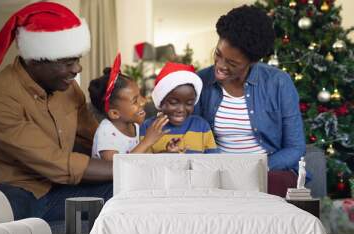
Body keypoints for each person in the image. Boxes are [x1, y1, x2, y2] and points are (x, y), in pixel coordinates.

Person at [0, 2, 112, 221]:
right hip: (16, 190)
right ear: (35, 60)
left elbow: (97, 140)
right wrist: (126, 170)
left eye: (78, 59)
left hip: (57, 187)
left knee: (125, 193)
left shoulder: (69, 89)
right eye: (68, 61)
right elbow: (53, 161)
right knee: (11, 210)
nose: (77, 69)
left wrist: (134, 157)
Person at [194, 5, 306, 195]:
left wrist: (255, 169)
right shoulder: (200, 82)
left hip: (267, 171)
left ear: (252, 61)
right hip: (217, 171)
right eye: (218, 55)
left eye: (232, 63)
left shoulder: (278, 82)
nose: (220, 67)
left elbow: (295, 148)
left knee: (277, 184)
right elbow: (192, 136)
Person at [89, 54, 169, 161]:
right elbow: (115, 169)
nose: (144, 101)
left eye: (140, 95)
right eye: (135, 100)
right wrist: (147, 141)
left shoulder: (135, 125)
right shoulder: (105, 132)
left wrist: (166, 152)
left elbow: (142, 158)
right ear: (115, 113)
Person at [140, 62, 217, 154]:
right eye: (173, 102)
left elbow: (212, 161)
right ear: (160, 102)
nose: (181, 109)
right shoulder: (148, 127)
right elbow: (144, 164)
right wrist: (167, 153)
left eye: (189, 103)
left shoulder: (202, 126)